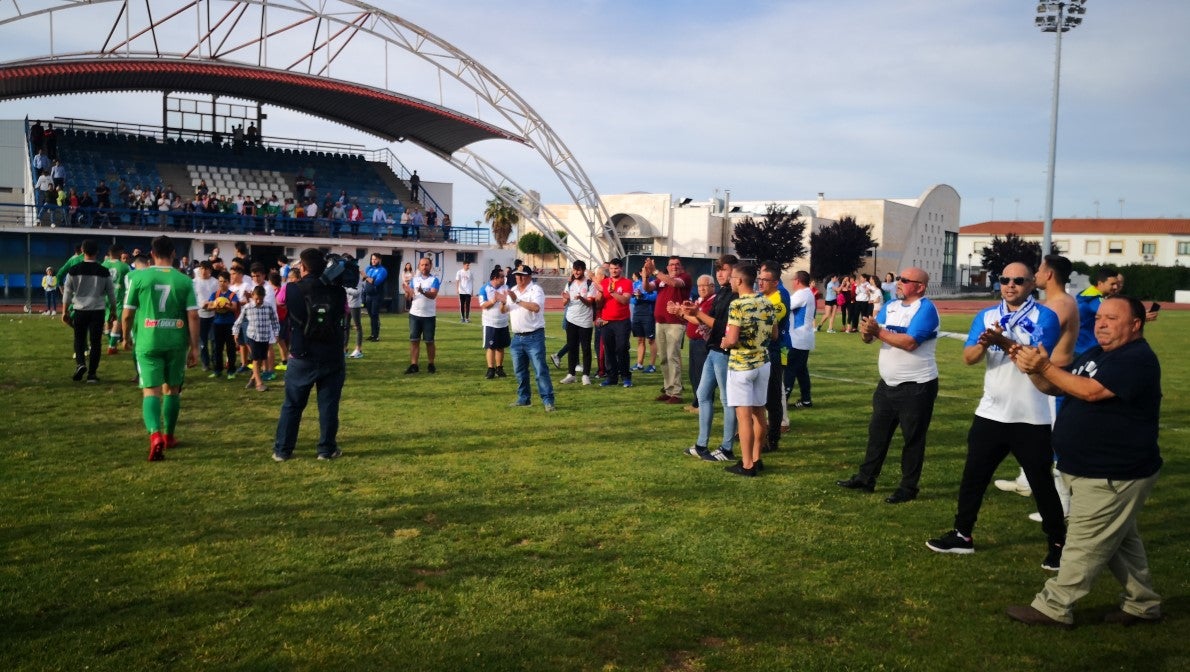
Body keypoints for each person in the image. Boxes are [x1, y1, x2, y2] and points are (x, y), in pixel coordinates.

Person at [1006, 295, 1163, 628]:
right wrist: (1034, 372)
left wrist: (1044, 366)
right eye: (1099, 317)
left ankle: (1054, 606)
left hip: (1113, 472)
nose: (1101, 323)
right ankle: (1143, 604)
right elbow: (1060, 388)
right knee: (1121, 542)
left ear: (1135, 324)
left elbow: (1092, 392)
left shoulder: (1136, 358)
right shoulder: (1096, 354)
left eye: (1112, 318)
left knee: (1083, 542)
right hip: (1088, 468)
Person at [925, 262, 1066, 570]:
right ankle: (963, 535)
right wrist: (984, 342)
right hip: (991, 412)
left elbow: (1033, 362)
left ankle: (1058, 543)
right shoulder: (987, 316)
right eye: (1005, 279)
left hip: (1031, 415)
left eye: (1018, 280)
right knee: (973, 477)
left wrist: (1003, 342)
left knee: (1041, 483)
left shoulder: (1045, 316)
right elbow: (969, 358)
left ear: (1031, 284)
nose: (1010, 284)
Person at [836, 268, 940, 504]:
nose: (899, 283)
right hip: (888, 385)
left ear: (920, 286)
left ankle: (908, 487)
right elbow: (871, 335)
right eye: (900, 279)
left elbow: (911, 342)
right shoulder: (892, 306)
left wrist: (877, 331)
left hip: (917, 386)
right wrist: (866, 332)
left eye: (905, 280)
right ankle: (866, 477)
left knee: (912, 439)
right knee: (877, 433)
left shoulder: (925, 309)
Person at [994, 254, 1079, 503]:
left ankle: (1062, 504)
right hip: (1041, 378)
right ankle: (1025, 481)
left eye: (1039, 272)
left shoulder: (1058, 305)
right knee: (1027, 430)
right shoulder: (1054, 302)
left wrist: (999, 337)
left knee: (1050, 442)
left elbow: (1035, 342)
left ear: (1049, 274)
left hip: (1053, 381)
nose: (1036, 276)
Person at [122, 236, 200, 461]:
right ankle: (169, 436)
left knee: (151, 391)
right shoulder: (184, 280)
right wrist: (195, 348)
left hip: (148, 341)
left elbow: (127, 314)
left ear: (152, 254)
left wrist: (125, 338)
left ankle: (155, 435)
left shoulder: (139, 277)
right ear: (174, 254)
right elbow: (193, 315)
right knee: (172, 389)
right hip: (176, 341)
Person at [272, 248, 348, 462]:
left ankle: (283, 450)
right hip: (331, 354)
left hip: (301, 354)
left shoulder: (292, 289)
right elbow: (344, 313)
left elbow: (279, 301)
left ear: (303, 267)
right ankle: (326, 449)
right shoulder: (338, 291)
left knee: (292, 405)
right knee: (328, 405)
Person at [680, 255, 740, 462]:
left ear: (736, 272)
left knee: (726, 400)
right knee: (703, 394)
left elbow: (723, 326)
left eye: (725, 270)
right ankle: (701, 444)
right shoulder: (723, 292)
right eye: (719, 270)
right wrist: (688, 312)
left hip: (725, 353)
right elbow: (708, 319)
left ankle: (727, 448)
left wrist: (697, 314)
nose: (721, 274)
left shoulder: (736, 295)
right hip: (713, 350)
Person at [719, 263, 777, 476]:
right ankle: (757, 457)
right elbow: (774, 335)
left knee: (744, 417)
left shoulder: (737, 305)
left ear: (740, 280)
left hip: (742, 365)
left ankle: (747, 464)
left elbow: (732, 339)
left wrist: (724, 342)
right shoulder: (767, 301)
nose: (730, 280)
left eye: (733, 277)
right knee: (759, 412)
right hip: (763, 363)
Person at [61, 239, 117, 383]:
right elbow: (111, 293)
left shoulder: (74, 270)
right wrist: (113, 311)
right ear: (97, 252)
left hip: (80, 309)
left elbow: (67, 292)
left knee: (79, 339)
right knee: (96, 342)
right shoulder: (103, 271)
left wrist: (64, 311)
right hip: (97, 310)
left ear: (82, 251)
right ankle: (92, 374)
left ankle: (80, 364)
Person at [506, 265, 555, 411]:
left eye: (521, 275)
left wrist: (517, 301)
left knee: (540, 370)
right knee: (519, 371)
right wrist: (502, 302)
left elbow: (536, 307)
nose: (518, 278)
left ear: (528, 276)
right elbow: (505, 309)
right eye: (516, 275)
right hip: (517, 337)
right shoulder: (513, 290)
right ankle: (524, 398)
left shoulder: (536, 290)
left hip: (534, 336)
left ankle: (548, 400)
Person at [643, 255, 691, 403]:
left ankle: (676, 393)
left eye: (677, 264)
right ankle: (668, 389)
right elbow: (648, 288)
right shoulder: (661, 280)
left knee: (672, 356)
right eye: (671, 264)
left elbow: (674, 283)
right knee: (663, 357)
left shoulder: (685, 277)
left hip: (676, 322)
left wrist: (655, 271)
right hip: (661, 322)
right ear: (668, 266)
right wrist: (645, 276)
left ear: (681, 267)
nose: (674, 267)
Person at [757, 262, 789, 452]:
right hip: (761, 351)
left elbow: (768, 325)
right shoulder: (761, 296)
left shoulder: (780, 299)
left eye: (765, 280)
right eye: (759, 279)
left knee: (773, 398)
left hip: (774, 352)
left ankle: (773, 439)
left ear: (776, 282)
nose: (760, 283)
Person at [233, 285, 280, 392]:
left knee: (260, 360)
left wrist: (276, 333)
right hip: (252, 336)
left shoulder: (268, 307)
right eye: (256, 298)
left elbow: (274, 321)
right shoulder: (247, 307)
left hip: (264, 336)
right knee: (255, 359)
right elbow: (238, 321)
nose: (259, 301)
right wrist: (235, 333)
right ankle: (259, 383)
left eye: (261, 299)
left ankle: (253, 379)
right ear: (252, 296)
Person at [597, 258, 633, 388]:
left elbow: (625, 300)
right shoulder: (604, 282)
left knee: (622, 348)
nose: (613, 271)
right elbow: (600, 304)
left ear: (621, 269)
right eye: (611, 268)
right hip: (607, 321)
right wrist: (600, 295)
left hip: (622, 321)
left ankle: (625, 376)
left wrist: (611, 292)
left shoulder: (627, 283)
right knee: (609, 350)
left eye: (616, 268)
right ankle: (612, 377)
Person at [684, 274, 716, 413]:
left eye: (705, 285)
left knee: (703, 374)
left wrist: (682, 314)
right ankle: (697, 402)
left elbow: (700, 320)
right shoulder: (700, 300)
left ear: (712, 287)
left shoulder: (712, 301)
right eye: (699, 286)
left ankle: (704, 404)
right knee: (694, 373)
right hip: (694, 341)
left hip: (703, 342)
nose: (701, 288)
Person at [786, 271, 817, 410]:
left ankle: (783, 399)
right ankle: (806, 400)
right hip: (803, 337)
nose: (792, 282)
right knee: (801, 371)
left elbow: (786, 306)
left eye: (793, 279)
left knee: (790, 369)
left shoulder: (802, 294)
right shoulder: (807, 293)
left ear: (797, 281)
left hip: (798, 338)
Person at [404, 256, 440, 373]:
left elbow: (433, 295)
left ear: (430, 266)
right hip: (415, 314)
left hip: (428, 315)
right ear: (419, 266)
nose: (424, 267)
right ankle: (414, 365)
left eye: (426, 265)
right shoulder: (414, 280)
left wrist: (422, 291)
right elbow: (410, 296)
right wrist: (407, 293)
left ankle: (431, 364)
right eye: (422, 265)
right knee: (414, 340)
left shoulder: (434, 280)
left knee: (429, 341)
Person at [1074, 266, 1119, 357]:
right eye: (1112, 284)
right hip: (1089, 349)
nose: (1116, 287)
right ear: (1100, 283)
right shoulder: (1096, 300)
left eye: (1117, 284)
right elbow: (1114, 316)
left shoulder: (1087, 293)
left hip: (1079, 346)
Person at [205, 270, 240, 379]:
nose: (222, 283)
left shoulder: (232, 295)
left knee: (230, 348)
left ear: (228, 282)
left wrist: (226, 307)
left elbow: (234, 307)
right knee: (217, 348)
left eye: (224, 281)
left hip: (229, 324)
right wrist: (216, 306)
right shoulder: (214, 295)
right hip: (217, 324)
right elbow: (209, 306)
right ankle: (217, 370)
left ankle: (231, 371)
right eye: (220, 281)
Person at [478, 267, 510, 379]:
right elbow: (483, 305)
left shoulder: (506, 288)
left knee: (501, 347)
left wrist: (504, 300)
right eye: (502, 277)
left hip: (503, 322)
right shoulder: (484, 289)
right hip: (490, 323)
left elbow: (509, 303)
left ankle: (500, 368)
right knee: (491, 347)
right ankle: (490, 369)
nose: (504, 279)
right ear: (495, 278)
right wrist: (494, 300)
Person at [102, 244, 132, 355]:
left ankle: (111, 342)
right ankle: (112, 346)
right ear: (119, 252)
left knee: (107, 322)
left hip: (105, 297)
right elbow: (130, 281)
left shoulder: (103, 265)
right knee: (117, 322)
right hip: (119, 297)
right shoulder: (124, 266)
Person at [192, 261, 219, 371]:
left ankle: (215, 361)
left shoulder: (215, 282)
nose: (203, 271)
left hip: (213, 314)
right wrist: (201, 305)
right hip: (200, 315)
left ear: (210, 271)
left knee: (214, 340)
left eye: (206, 269)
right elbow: (192, 299)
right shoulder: (194, 282)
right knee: (202, 340)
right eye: (201, 269)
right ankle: (205, 363)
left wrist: (211, 304)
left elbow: (218, 296)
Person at [629, 271, 658, 374]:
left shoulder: (654, 283)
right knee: (640, 339)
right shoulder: (635, 284)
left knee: (651, 340)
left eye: (648, 271)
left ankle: (652, 365)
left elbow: (655, 297)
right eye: (644, 271)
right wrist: (636, 297)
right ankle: (639, 364)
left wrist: (642, 296)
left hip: (649, 313)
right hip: (637, 313)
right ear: (640, 273)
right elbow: (631, 299)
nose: (646, 273)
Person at [363, 253, 387, 341]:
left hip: (377, 295)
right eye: (372, 259)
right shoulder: (369, 268)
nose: (373, 260)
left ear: (379, 260)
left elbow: (376, 282)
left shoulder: (382, 270)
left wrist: (366, 277)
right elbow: (365, 280)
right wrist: (368, 278)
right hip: (368, 295)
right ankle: (373, 334)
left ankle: (376, 336)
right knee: (371, 315)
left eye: (375, 259)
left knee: (374, 315)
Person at [345, 266, 365, 359]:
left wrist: (346, 289)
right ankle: (344, 349)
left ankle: (358, 349)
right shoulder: (347, 278)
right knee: (345, 327)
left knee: (357, 326)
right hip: (346, 304)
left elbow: (357, 292)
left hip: (355, 305)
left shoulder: (358, 279)